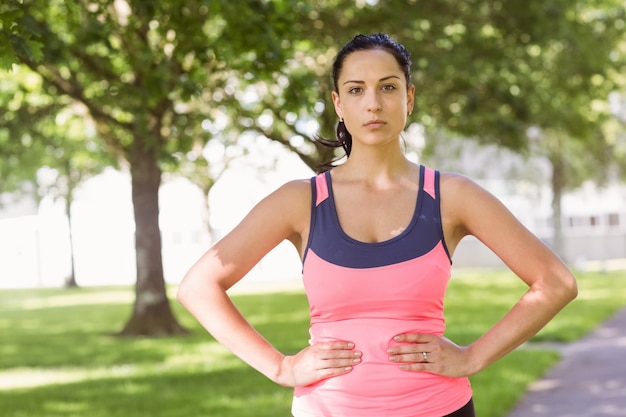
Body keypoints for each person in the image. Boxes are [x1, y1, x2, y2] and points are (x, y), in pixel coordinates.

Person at [177, 32, 578, 417]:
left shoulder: (452, 196)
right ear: (338, 103)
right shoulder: (300, 201)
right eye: (356, 90)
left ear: (409, 97)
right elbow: (198, 287)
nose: (373, 103)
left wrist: (472, 357)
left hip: (438, 409)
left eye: (388, 87)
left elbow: (555, 282)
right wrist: (281, 368)